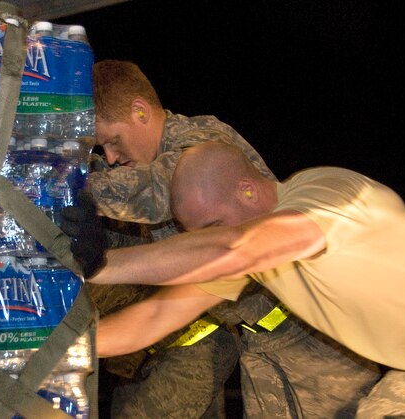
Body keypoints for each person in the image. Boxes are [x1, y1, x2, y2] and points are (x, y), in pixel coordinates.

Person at [65, 141, 405, 417]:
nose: (205, 242)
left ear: (248, 192)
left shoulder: (329, 191)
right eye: (197, 234)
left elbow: (236, 246)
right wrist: (41, 348)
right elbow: (149, 322)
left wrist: (101, 265)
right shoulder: (250, 255)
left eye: (213, 226)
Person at [82, 59, 380, 418]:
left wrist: (63, 189)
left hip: (316, 341)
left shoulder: (202, 142)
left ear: (141, 111)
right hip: (260, 343)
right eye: (103, 150)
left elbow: (161, 189)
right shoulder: (144, 171)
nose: (111, 157)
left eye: (113, 141)